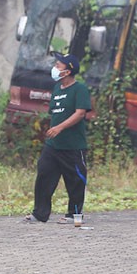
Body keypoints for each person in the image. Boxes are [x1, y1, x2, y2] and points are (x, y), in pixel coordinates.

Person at [24, 52, 92, 224]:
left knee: (75, 180)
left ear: (67, 71)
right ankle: (40, 213)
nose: (54, 68)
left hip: (73, 146)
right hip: (54, 145)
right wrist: (53, 129)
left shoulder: (80, 89)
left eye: (58, 66)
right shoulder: (56, 89)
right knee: (44, 175)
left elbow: (80, 113)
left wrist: (60, 127)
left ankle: (74, 215)